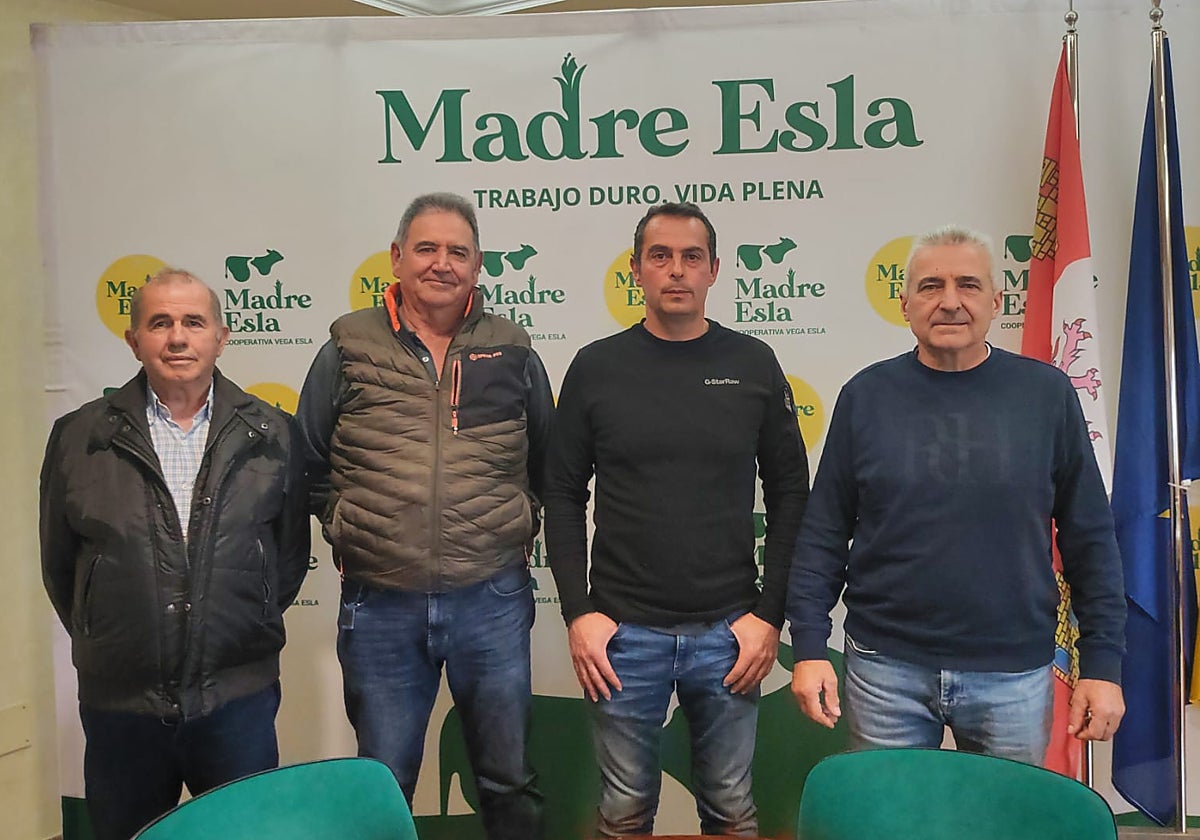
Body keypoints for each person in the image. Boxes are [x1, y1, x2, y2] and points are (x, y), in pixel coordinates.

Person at [787, 225, 1126, 765]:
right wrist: (808, 646)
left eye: (967, 285)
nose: (949, 302)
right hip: (884, 667)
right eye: (930, 286)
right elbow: (824, 533)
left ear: (995, 301)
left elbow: (1090, 538)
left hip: (1012, 671)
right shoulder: (865, 397)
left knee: (1002, 825)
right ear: (904, 304)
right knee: (891, 825)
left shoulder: (1045, 396)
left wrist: (1102, 665)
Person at [544, 202, 809, 837]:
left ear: (715, 270)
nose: (676, 270)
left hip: (730, 634)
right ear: (636, 270)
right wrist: (580, 614)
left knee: (730, 807)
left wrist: (769, 616)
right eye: (659, 256)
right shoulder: (596, 367)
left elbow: (792, 493)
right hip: (620, 637)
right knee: (624, 811)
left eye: (692, 257)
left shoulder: (753, 364)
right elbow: (559, 493)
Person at [296, 192, 551, 840]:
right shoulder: (347, 347)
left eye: (457, 252)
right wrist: (349, 524)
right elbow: (307, 459)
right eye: (428, 248)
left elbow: (547, 460)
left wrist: (517, 518)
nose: (442, 263)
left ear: (478, 265)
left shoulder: (511, 348)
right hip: (380, 603)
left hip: (490, 598)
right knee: (383, 780)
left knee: (508, 778)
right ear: (397, 257)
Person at [40, 268, 310, 840]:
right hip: (123, 707)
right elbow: (62, 568)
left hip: (237, 699)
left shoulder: (273, 433)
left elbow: (285, 561)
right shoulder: (78, 437)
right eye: (159, 323)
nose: (177, 337)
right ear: (134, 339)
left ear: (221, 335)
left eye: (193, 321)